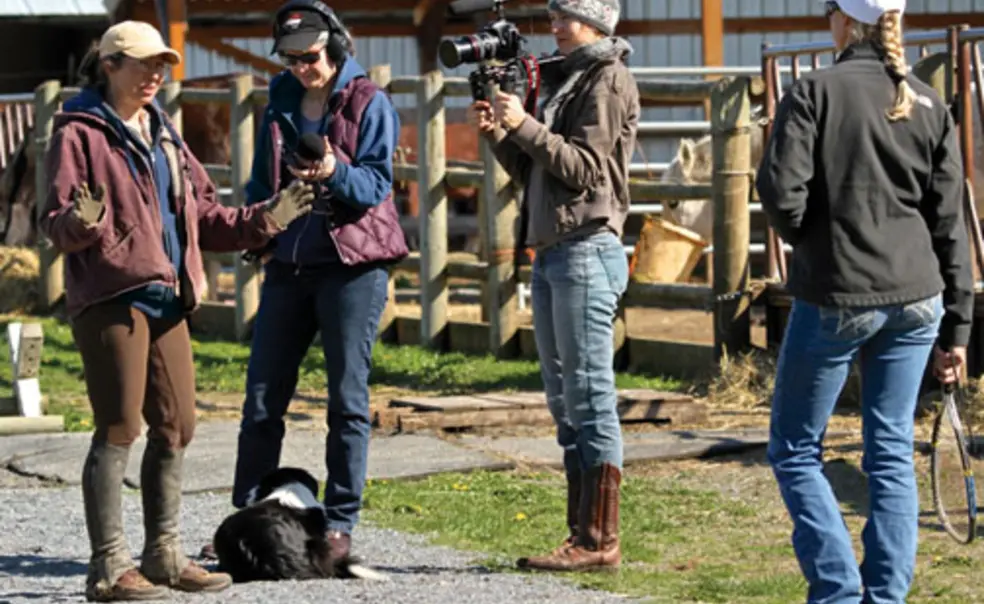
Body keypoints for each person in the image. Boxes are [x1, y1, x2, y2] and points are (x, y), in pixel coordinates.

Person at [39, 20, 314, 602]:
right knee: (119, 427)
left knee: (179, 426)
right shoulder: (78, 133)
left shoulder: (164, 131)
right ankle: (109, 568)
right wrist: (80, 224)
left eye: (161, 64)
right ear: (109, 65)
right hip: (111, 297)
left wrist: (268, 217)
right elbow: (56, 224)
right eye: (143, 64)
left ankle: (162, 555)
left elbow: (205, 217)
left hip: (169, 295)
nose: (156, 74)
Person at [756, 1, 973, 602]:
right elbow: (950, 222)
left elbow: (779, 192)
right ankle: (883, 597)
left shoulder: (815, 90)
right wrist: (958, 330)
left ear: (843, 21)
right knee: (890, 449)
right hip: (918, 298)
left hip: (838, 293)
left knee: (795, 448)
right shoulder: (929, 103)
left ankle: (836, 592)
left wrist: (812, 242)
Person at [228, 0, 407, 565]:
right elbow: (262, 178)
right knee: (261, 400)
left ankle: (340, 523)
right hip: (289, 263)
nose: (303, 67)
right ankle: (246, 518)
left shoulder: (369, 102)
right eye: (291, 59)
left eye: (311, 56)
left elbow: (377, 185)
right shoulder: (279, 101)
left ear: (335, 43)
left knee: (347, 402)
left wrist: (334, 171)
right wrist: (259, 229)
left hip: (353, 266)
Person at [468, 0, 639, 572]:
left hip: (587, 250)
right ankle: (582, 535)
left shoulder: (608, 78)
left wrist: (524, 124)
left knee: (590, 396)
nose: (554, 25)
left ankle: (599, 541)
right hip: (555, 251)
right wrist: (502, 137)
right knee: (565, 399)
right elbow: (535, 172)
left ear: (597, 23)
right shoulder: (570, 80)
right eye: (554, 14)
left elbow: (584, 168)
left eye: (566, 15)